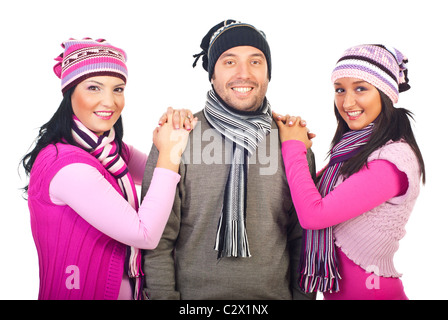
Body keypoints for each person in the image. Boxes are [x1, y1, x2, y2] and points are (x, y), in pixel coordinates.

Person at [141, 19, 316, 300]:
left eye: (256, 62)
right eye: (229, 62)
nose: (243, 74)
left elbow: (304, 238)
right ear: (212, 74)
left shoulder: (292, 141)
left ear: (268, 73)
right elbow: (157, 241)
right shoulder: (178, 136)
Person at [21, 38, 196, 300]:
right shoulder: (66, 166)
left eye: (118, 89)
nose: (110, 102)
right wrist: (169, 150)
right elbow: (144, 234)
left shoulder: (109, 150)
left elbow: (168, 171)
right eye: (94, 87)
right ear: (70, 94)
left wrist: (175, 128)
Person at [274, 44, 425, 300]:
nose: (347, 102)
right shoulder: (353, 150)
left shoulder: (393, 160)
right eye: (340, 90)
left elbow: (314, 214)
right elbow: (311, 195)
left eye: (360, 88)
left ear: (385, 93)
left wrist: (293, 147)